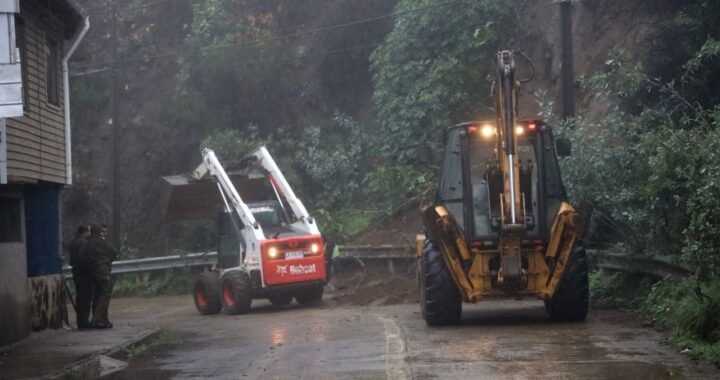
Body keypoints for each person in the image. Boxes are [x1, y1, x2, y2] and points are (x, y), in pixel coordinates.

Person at [86, 224, 120, 329]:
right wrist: (108, 260)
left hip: (93, 272)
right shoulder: (100, 242)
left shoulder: (88, 243)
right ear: (98, 232)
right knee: (106, 294)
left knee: (97, 295)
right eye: (101, 231)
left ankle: (102, 320)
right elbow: (115, 252)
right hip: (103, 270)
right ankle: (98, 320)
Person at [68, 224, 92, 329]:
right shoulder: (84, 243)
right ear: (85, 232)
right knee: (85, 298)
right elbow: (84, 259)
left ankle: (80, 321)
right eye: (88, 231)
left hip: (76, 272)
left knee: (80, 297)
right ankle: (84, 322)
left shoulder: (72, 242)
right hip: (84, 274)